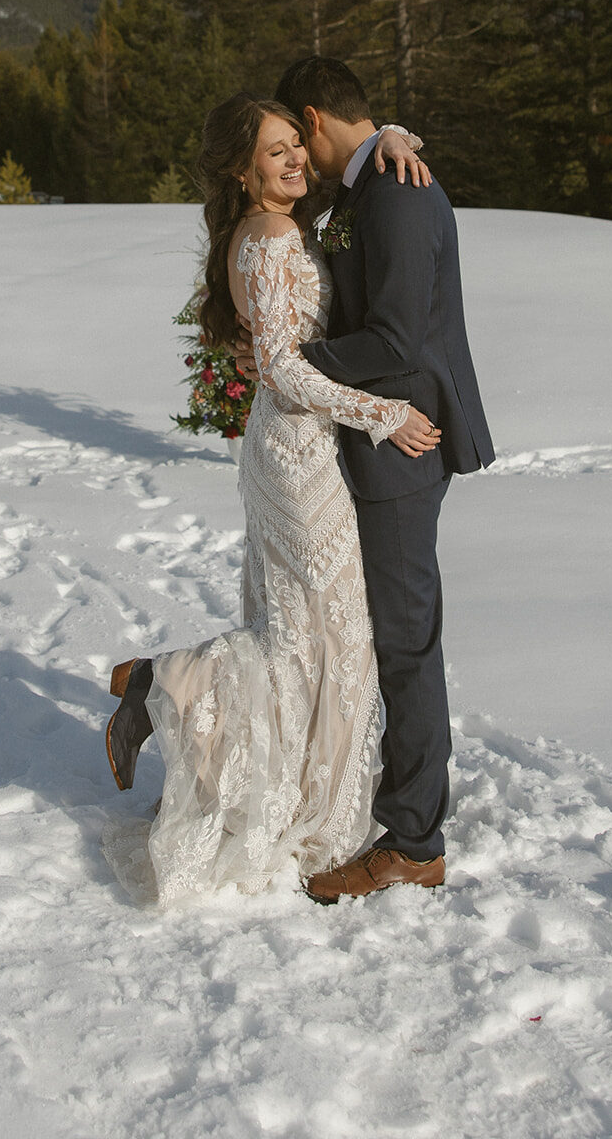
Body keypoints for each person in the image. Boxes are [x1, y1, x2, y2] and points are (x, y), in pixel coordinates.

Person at [102, 96, 437, 908]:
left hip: (299, 446)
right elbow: (284, 368)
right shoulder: (270, 236)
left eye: (297, 145)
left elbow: (346, 170)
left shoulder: (283, 223)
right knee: (316, 641)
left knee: (314, 637)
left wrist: (387, 131)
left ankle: (188, 705)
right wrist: (384, 414)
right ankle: (164, 683)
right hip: (297, 453)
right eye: (275, 152)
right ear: (240, 169)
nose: (294, 161)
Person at [268, 56, 494, 903]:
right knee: (394, 636)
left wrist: (293, 365)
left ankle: (414, 840)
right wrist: (385, 133)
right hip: (380, 439)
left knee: (406, 645)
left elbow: (397, 341)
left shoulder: (395, 194)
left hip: (402, 447)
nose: (299, 155)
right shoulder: (376, 180)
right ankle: (399, 807)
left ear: (317, 118)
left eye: (300, 137)